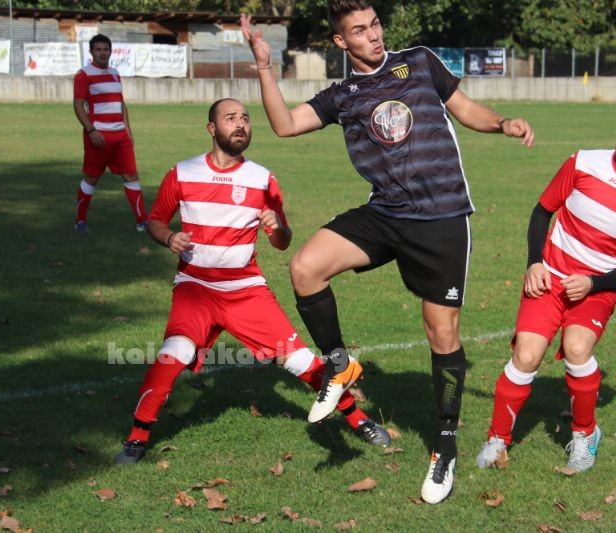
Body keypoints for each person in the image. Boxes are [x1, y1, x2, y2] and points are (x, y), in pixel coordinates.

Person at [240, 0, 534, 504]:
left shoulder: (419, 61)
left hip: (441, 217)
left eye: (375, 24)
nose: (373, 35)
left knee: (442, 333)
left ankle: (444, 446)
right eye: (359, 30)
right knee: (305, 267)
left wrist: (502, 122)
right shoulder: (342, 95)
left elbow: (465, 109)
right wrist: (265, 67)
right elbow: (285, 125)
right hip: (386, 213)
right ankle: (339, 365)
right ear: (341, 42)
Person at [114, 98, 390, 465]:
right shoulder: (182, 173)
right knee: (172, 355)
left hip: (245, 292)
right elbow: (155, 221)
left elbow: (282, 243)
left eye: (245, 118)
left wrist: (279, 228)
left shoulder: (262, 179)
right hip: (195, 289)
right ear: (212, 128)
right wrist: (168, 237)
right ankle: (136, 439)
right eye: (230, 118)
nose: (240, 124)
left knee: (300, 362)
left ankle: (358, 420)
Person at [476, 103, 616, 473]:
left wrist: (592, 283)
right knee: (526, 356)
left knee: (577, 348)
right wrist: (535, 262)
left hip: (596, 290)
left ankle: (585, 435)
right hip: (549, 276)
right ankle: (497, 440)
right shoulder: (583, 162)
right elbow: (542, 211)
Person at [72, 34, 147, 235]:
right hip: (99, 136)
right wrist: (91, 130)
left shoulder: (115, 73)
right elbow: (78, 105)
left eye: (105, 49)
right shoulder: (83, 74)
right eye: (98, 49)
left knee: (131, 175)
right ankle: (80, 221)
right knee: (92, 178)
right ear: (91, 52)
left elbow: (121, 104)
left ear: (110, 51)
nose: (102, 53)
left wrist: (128, 132)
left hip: (120, 136)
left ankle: (142, 222)